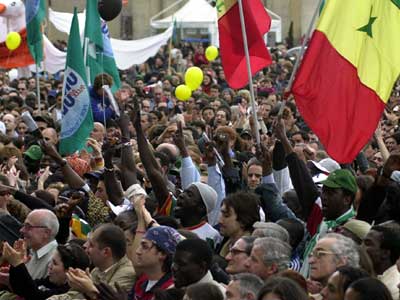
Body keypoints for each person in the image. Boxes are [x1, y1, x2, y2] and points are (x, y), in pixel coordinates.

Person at [49, 223, 135, 300]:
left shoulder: (127, 273)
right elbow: (74, 295)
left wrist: (88, 289)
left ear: (106, 252)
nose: (85, 246)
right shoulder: (97, 269)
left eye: (91, 244)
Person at [3, 242, 90, 300]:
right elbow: (22, 289)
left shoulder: (67, 292)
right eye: (51, 261)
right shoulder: (49, 282)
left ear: (69, 271)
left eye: (55, 263)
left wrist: (18, 263)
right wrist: (14, 266)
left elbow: (35, 296)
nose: (50, 266)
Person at [131, 226, 181, 300]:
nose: (137, 251)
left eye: (144, 247)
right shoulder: (142, 280)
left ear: (163, 254)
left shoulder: (170, 289)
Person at [363, 223, 400, 299]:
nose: (361, 248)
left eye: (368, 244)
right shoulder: (373, 276)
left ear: (385, 253)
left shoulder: (393, 287)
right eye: (362, 243)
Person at [219, 192, 260, 257]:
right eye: (221, 214)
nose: (220, 221)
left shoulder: (251, 254)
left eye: (226, 215)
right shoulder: (224, 245)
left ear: (243, 221)